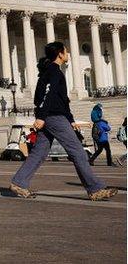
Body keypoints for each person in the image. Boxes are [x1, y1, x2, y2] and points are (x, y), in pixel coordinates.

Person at [9, 42, 117, 201]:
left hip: (53, 116)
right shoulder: (53, 71)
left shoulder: (49, 72)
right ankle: (95, 189)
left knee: (39, 152)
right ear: (60, 54)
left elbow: (60, 99)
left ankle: (18, 182)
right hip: (54, 117)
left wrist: (70, 119)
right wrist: (42, 116)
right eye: (66, 51)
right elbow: (48, 95)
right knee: (78, 151)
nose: (68, 54)